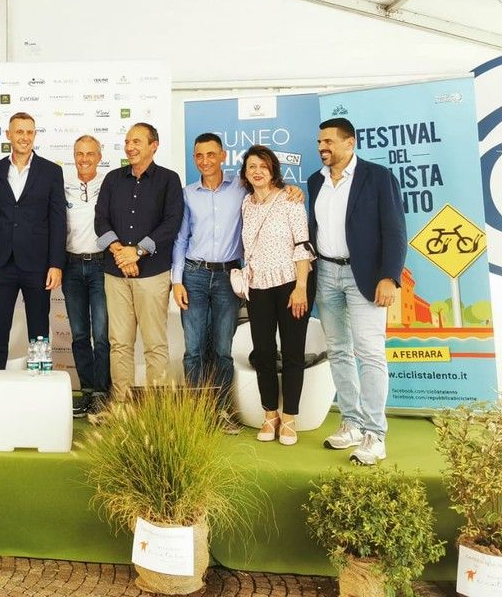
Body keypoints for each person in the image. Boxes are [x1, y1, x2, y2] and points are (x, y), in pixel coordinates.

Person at [172, 133, 304, 435]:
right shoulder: (187, 193)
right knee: (193, 350)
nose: (205, 161)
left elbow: (270, 190)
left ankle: (220, 411)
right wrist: (176, 280)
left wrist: (292, 189)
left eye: (211, 154)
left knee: (222, 349)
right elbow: (181, 238)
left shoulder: (241, 188)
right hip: (193, 273)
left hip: (228, 277)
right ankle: (196, 413)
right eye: (199, 155)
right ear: (194, 159)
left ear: (223, 156)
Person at [308, 117, 406, 465]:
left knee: (370, 352)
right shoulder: (315, 181)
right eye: (320, 142)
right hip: (326, 273)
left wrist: (389, 276)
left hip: (365, 276)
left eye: (329, 141)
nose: (322, 147)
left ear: (350, 143)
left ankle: (375, 435)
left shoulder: (377, 177)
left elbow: (395, 231)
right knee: (338, 350)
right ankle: (351, 423)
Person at [95, 123, 183, 400]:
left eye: (136, 142)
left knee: (155, 345)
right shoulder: (112, 179)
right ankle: (122, 407)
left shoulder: (169, 180)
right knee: (119, 344)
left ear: (153, 145)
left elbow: (172, 223)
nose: (130, 147)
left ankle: (154, 410)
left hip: (153, 275)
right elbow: (101, 220)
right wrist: (121, 253)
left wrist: (138, 252)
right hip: (116, 274)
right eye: (127, 142)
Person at [239, 145, 316, 446]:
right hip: (258, 286)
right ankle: (270, 414)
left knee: (293, 352)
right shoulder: (246, 204)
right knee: (264, 352)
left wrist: (300, 288)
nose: (257, 171)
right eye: (252, 167)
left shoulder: (290, 200)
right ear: (245, 173)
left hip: (291, 284)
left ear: (273, 170)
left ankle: (290, 417)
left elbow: (302, 245)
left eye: (263, 166)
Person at [0, 112, 66, 374]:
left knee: (39, 334)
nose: (25, 137)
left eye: (30, 132)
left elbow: (58, 220)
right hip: (1, 263)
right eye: (19, 132)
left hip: (38, 264)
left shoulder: (51, 171)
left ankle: (39, 386)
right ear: (8, 135)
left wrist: (56, 264)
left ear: (35, 135)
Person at [62, 136, 110, 418]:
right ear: (74, 156)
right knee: (80, 335)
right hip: (71, 266)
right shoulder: (63, 186)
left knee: (101, 335)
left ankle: (103, 394)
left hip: (101, 265)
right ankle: (87, 392)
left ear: (100, 156)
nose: (84, 159)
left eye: (90, 153)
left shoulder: (110, 184)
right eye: (80, 153)